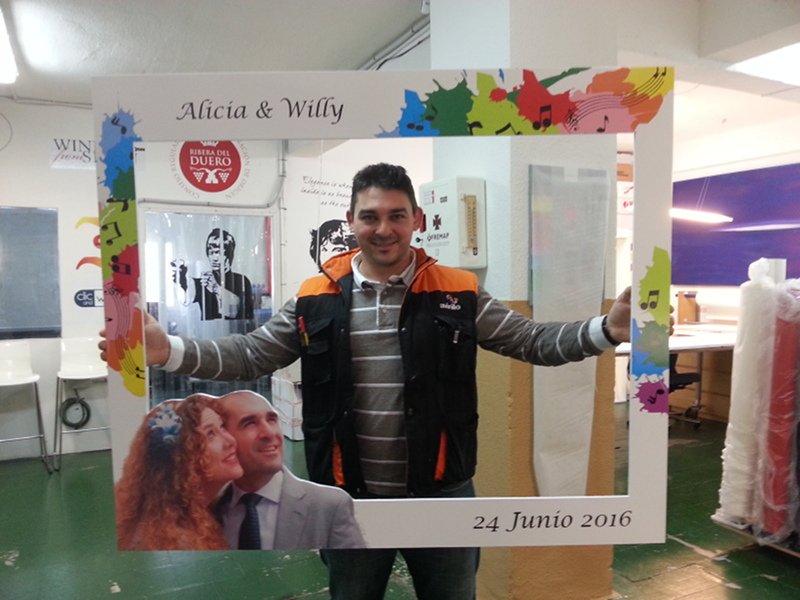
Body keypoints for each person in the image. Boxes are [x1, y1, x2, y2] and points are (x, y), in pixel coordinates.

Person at [103, 163, 632, 598]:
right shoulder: (316, 294)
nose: (384, 229)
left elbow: (532, 341)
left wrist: (606, 329)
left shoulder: (457, 291)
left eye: (397, 216)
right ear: (350, 219)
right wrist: (167, 350)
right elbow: (251, 353)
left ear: (416, 219)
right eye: (371, 216)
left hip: (442, 494)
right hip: (347, 497)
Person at [213, 390, 366, 550]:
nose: (269, 433)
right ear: (222, 439)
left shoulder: (328, 506)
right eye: (250, 423)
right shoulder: (205, 509)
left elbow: (353, 573)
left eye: (272, 420)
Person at [115, 394, 243, 550]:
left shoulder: (190, 515)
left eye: (222, 426)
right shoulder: (176, 541)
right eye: (210, 434)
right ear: (183, 459)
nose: (230, 441)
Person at [171, 228, 254, 320]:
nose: (214, 257)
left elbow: (237, 312)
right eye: (211, 252)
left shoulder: (241, 281)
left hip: (236, 331)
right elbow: (185, 301)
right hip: (207, 332)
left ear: (229, 254)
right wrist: (181, 281)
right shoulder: (203, 281)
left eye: (219, 252)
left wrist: (216, 289)